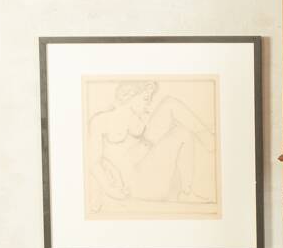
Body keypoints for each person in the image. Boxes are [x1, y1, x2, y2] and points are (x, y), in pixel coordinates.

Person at [85, 80, 216, 215]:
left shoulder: (137, 120)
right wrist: (109, 189)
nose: (148, 104)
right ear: (128, 96)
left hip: (149, 177)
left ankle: (187, 191)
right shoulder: (100, 121)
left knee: (182, 129)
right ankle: (211, 141)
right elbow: (93, 162)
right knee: (170, 105)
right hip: (134, 187)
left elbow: (144, 146)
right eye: (146, 99)